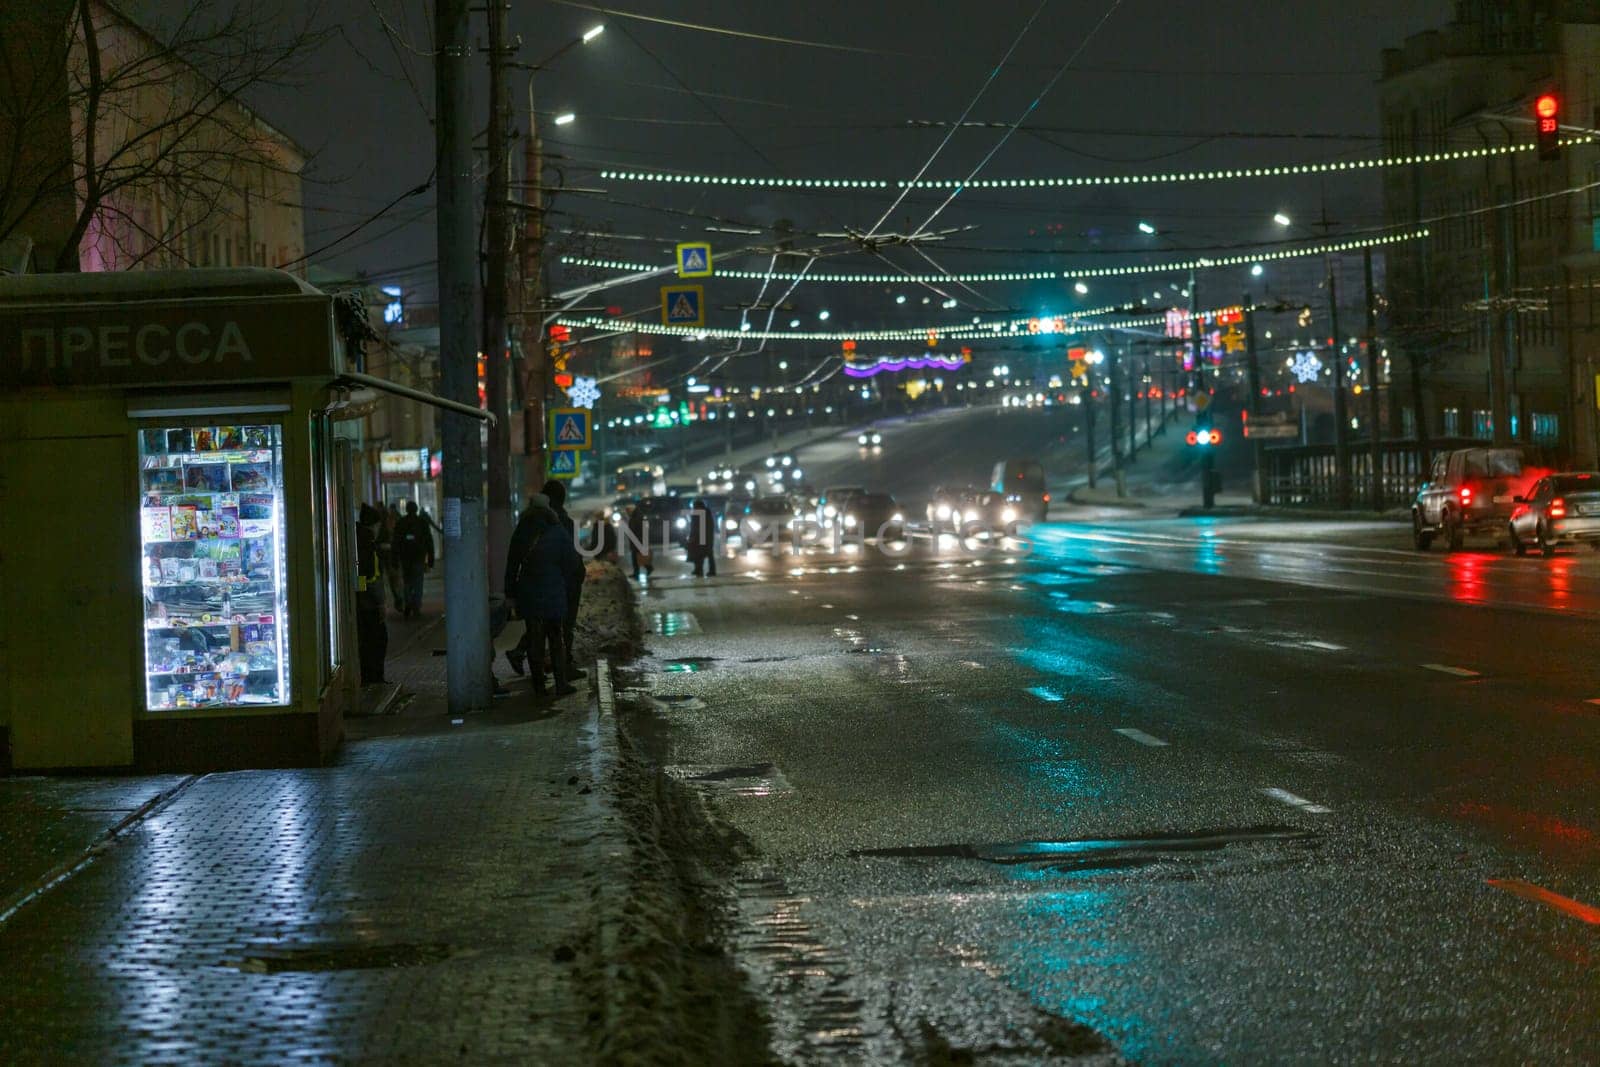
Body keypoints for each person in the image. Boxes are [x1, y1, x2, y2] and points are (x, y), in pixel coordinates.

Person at [504, 492, 582, 698]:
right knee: (556, 639)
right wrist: (564, 581)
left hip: (528, 593)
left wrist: (510, 594)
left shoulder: (522, 530)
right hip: (554, 592)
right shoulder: (557, 530)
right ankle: (560, 683)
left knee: (535, 640)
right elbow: (572, 562)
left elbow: (512, 565)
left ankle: (539, 685)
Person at [354, 503, 388, 684]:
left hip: (360, 602)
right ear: (374, 524)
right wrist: (381, 603)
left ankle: (369, 676)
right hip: (369, 604)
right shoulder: (368, 545)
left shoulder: (355, 541)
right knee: (378, 639)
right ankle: (375, 677)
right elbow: (373, 577)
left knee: (365, 641)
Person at [392, 500, 434, 617]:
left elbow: (395, 542)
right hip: (418, 558)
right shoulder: (422, 523)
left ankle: (408, 602)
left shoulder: (401, 523)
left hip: (405, 558)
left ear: (406, 510)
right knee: (418, 582)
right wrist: (430, 560)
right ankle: (416, 605)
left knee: (407, 582)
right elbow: (429, 542)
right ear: (416, 510)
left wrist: (394, 560)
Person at [685, 497, 718, 578]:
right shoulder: (706, 512)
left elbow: (694, 526)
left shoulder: (698, 513)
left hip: (700, 536)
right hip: (706, 536)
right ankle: (708, 570)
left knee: (699, 554)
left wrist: (692, 536)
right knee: (706, 553)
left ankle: (700, 570)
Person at [382, 503, 404, 611]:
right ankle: (399, 598)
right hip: (392, 556)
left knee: (395, 579)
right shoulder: (399, 521)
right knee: (395, 579)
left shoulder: (391, 522)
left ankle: (400, 598)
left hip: (393, 555)